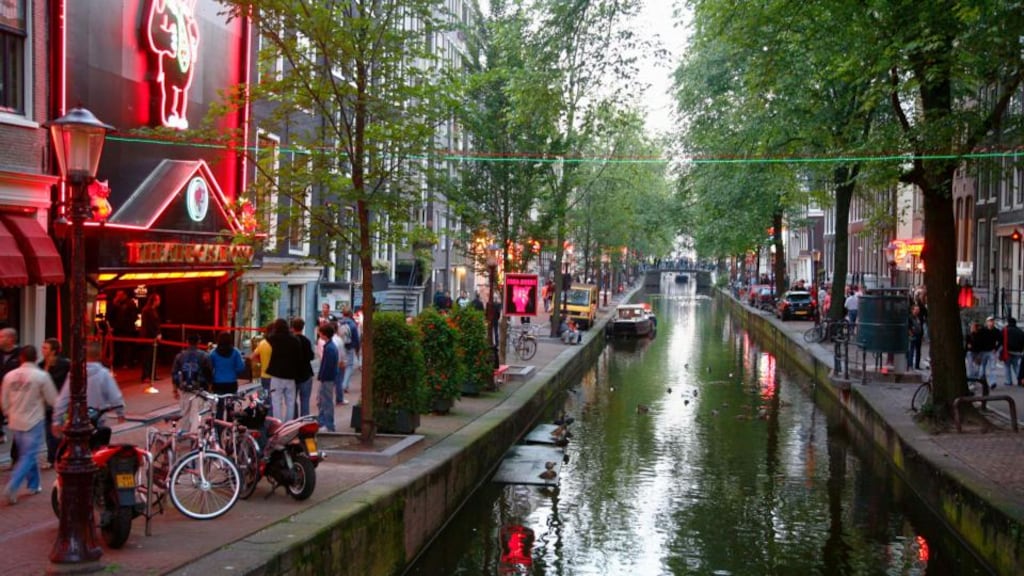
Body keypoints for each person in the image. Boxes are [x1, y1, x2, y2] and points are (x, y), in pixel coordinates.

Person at [1, 346, 57, 504]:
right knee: (29, 454)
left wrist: (8, 412)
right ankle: (13, 485)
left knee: (27, 453)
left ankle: (34, 484)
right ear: (35, 357)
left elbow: (4, 400)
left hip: (16, 420)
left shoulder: (9, 376)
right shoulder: (41, 376)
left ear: (21, 358)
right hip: (34, 420)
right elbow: (52, 399)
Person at [52, 341, 126, 435]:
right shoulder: (104, 374)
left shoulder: (74, 374)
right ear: (99, 355)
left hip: (78, 420)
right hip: (98, 419)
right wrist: (120, 413)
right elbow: (115, 396)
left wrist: (57, 420)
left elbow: (63, 399)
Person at [171, 334, 212, 435]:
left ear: (187, 341)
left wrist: (175, 390)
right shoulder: (204, 356)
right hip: (200, 390)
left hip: (185, 390)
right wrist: (210, 388)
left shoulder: (180, 356)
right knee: (197, 414)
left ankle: (185, 433)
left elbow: (174, 374)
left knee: (185, 413)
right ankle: (195, 436)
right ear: (199, 342)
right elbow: (209, 373)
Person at [39, 338, 70, 468]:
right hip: (44, 404)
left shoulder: (65, 364)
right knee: (49, 433)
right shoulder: (40, 365)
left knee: (56, 433)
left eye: (45, 348)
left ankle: (56, 458)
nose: (42, 350)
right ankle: (54, 458)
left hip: (60, 405)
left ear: (54, 351)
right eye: (43, 347)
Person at [265, 318, 301, 422]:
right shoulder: (295, 340)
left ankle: (278, 423)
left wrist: (271, 327)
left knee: (276, 401)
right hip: (290, 375)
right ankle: (289, 423)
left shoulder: (274, 338)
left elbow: (267, 336)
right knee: (290, 401)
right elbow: (298, 357)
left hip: (276, 374)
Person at [209, 331, 245, 421]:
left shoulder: (213, 353)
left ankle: (219, 428)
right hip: (231, 383)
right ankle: (229, 428)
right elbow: (241, 367)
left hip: (217, 383)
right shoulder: (235, 352)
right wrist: (234, 372)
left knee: (219, 408)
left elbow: (209, 368)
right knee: (230, 407)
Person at [316, 324, 340, 432]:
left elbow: (327, 365)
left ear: (324, 334)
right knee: (323, 400)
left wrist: (322, 376)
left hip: (327, 378)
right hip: (328, 378)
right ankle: (322, 422)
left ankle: (328, 424)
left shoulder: (329, 348)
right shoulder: (330, 346)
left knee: (326, 401)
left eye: (320, 332)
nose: (318, 334)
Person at [0, 327, 21, 444]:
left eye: (2, 336)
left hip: (14, 393)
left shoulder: (21, 353)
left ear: (11, 339)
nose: (0, 339)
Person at [291, 318, 315, 417]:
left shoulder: (291, 341)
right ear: (303, 327)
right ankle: (305, 422)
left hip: (293, 375)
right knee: (305, 400)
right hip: (306, 374)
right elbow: (311, 356)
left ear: (292, 327)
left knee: (292, 400)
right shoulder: (306, 341)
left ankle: (294, 420)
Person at [249, 323, 274, 415]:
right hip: (277, 376)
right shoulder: (278, 344)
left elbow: (252, 357)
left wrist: (260, 361)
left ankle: (268, 417)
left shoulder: (263, 344)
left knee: (267, 398)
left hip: (265, 375)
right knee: (276, 399)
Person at [139, 294, 162, 382]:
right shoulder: (147, 310)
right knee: (147, 357)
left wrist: (158, 333)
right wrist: (156, 334)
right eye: (158, 299)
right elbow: (148, 325)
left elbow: (156, 324)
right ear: (154, 300)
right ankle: (145, 376)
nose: (159, 301)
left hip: (153, 336)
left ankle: (152, 374)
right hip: (148, 337)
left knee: (153, 356)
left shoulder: (153, 310)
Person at [339, 309, 360, 395]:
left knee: (341, 366)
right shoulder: (352, 324)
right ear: (350, 314)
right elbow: (356, 338)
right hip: (349, 347)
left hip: (340, 346)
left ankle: (341, 384)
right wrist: (357, 349)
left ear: (343, 314)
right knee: (349, 366)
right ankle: (344, 385)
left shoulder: (339, 323)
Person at [1001, 317, 1024, 387]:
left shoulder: (1005, 330)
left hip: (1007, 351)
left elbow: (1001, 340)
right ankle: (1019, 379)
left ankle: (1008, 381)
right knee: (1016, 366)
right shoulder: (1020, 331)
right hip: (1017, 352)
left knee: (1007, 366)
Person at [907, 305, 925, 370]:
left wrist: (922, 335)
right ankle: (910, 365)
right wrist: (910, 333)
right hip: (913, 335)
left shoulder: (919, 317)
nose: (917, 311)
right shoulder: (910, 317)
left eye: (918, 310)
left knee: (918, 351)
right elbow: (908, 326)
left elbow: (921, 326)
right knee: (911, 351)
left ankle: (917, 365)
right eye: (916, 310)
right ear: (912, 310)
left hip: (919, 335)